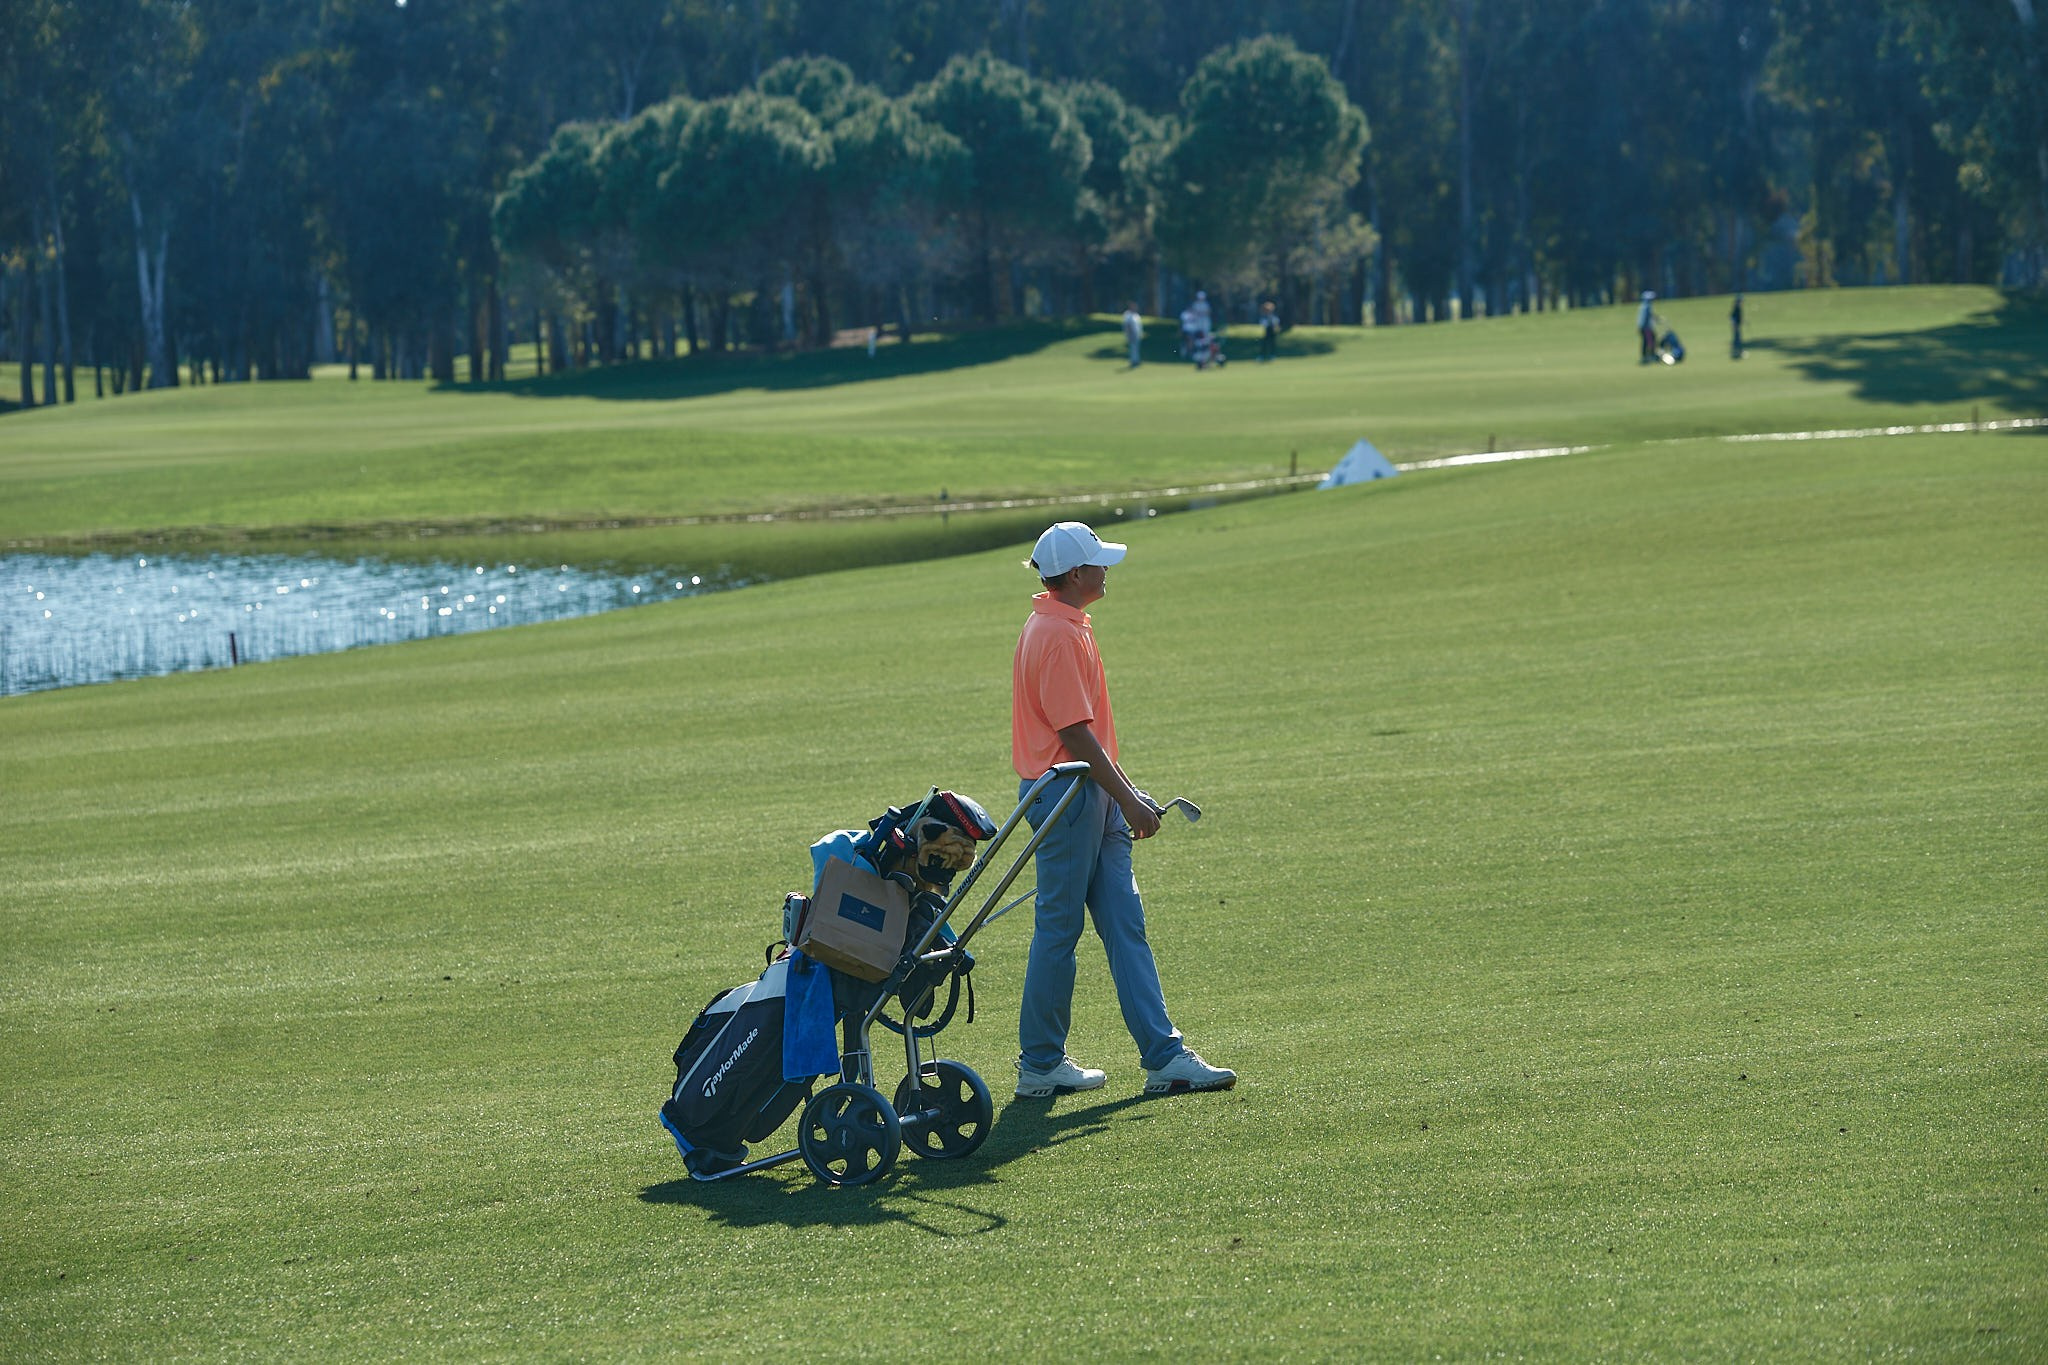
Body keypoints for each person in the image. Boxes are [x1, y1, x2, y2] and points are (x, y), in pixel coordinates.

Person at [1009, 521, 1236, 1099]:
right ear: (1076, 573)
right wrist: (1127, 797)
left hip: (1089, 791)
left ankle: (1166, 1056)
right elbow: (1075, 735)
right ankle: (1039, 1063)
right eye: (1099, 563)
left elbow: (1091, 740)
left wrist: (1125, 793)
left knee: (1125, 926)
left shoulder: (1067, 625)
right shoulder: (1056, 634)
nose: (1106, 571)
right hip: (1065, 794)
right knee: (1058, 931)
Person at [1121, 302, 1144, 368]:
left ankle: (1137, 360)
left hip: (1137, 334)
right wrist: (1129, 334)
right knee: (1133, 348)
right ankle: (1133, 361)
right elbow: (1127, 325)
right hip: (1131, 334)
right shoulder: (1127, 314)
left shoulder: (1136, 315)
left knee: (1136, 348)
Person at [1637, 290, 1657, 364]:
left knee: (1646, 342)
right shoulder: (1647, 306)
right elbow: (1646, 317)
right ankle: (1650, 356)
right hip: (1646, 328)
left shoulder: (1643, 305)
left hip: (1643, 327)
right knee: (1650, 341)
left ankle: (1646, 356)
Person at [1729, 293, 1744, 359]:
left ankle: (1737, 352)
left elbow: (1738, 317)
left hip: (1737, 326)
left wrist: (1743, 321)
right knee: (1737, 340)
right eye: (1740, 301)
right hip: (1736, 326)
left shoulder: (1738, 307)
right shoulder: (1736, 308)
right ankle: (1738, 353)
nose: (1741, 302)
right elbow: (1732, 317)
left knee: (1737, 339)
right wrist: (1734, 324)